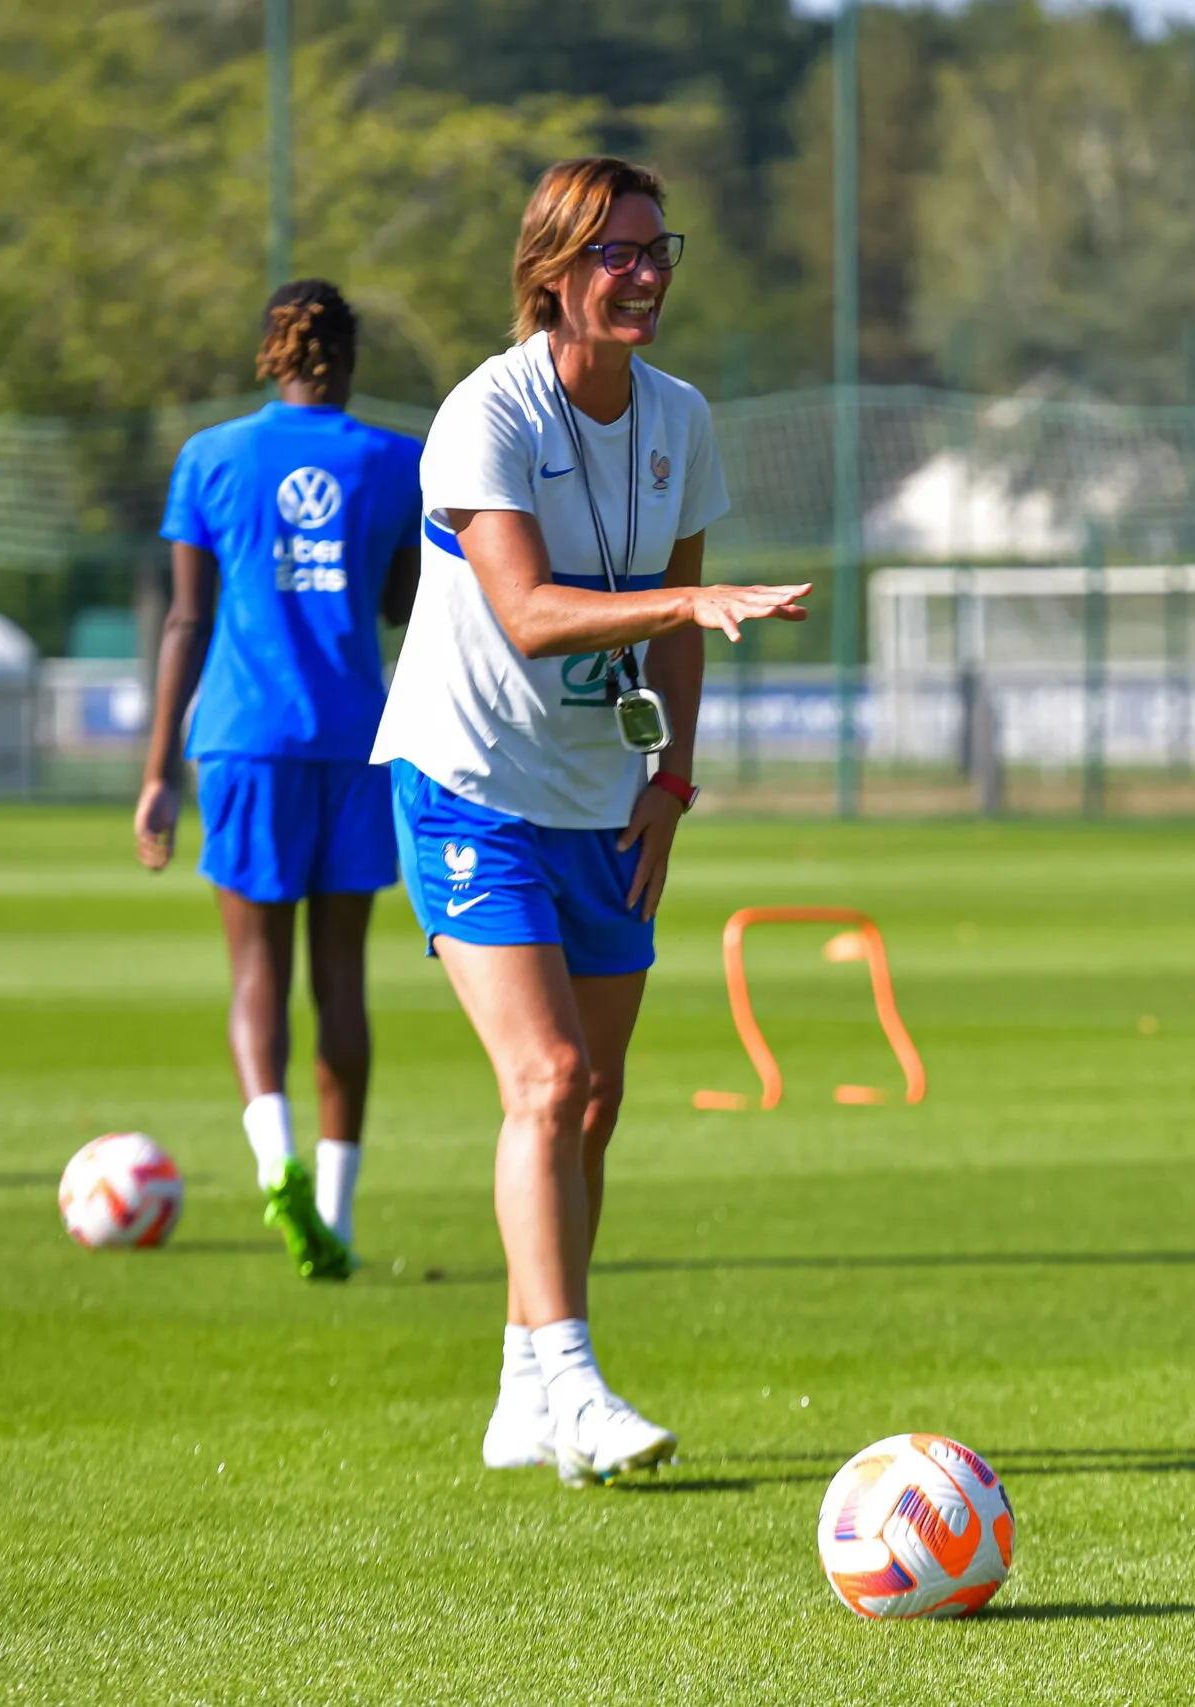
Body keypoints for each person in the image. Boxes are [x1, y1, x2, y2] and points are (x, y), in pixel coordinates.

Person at [371, 156, 808, 1486]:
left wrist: (670, 786)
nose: (647, 271)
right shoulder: (482, 414)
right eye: (616, 252)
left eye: (657, 247)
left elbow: (684, 631)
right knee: (547, 1079)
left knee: (595, 1101)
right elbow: (529, 612)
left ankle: (522, 1386)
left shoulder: (680, 415)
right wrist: (690, 607)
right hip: (467, 782)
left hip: (601, 796)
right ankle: (574, 1378)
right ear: (550, 273)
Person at [136, 279, 422, 1281]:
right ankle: (335, 1221)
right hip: (353, 740)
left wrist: (158, 773)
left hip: (242, 740)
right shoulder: (398, 462)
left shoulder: (209, 457)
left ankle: (274, 1167)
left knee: (258, 977)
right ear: (345, 359)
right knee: (342, 982)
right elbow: (399, 604)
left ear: (269, 354)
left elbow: (185, 622)